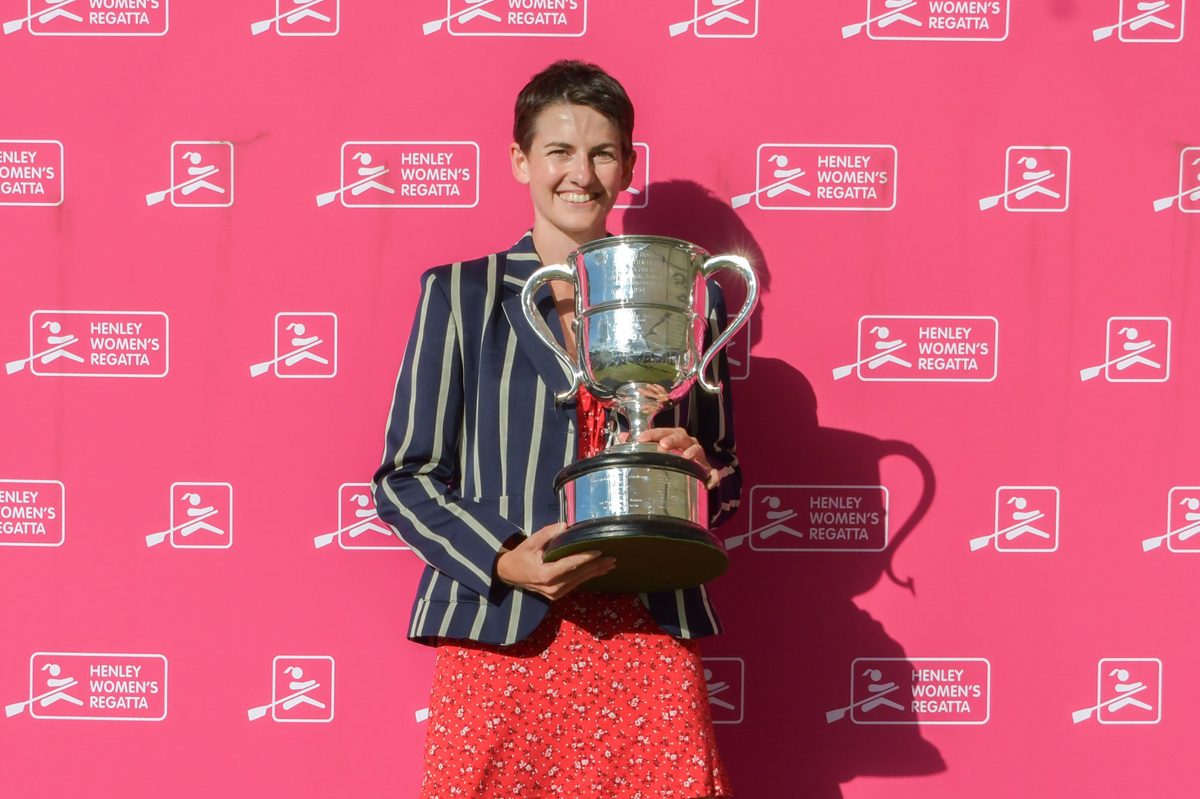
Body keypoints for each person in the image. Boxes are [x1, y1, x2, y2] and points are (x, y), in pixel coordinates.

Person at [373, 60, 741, 799]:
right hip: (503, 630)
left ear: (628, 166)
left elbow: (725, 477)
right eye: (559, 151)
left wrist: (697, 472)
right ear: (521, 161)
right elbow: (404, 477)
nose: (582, 173)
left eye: (603, 153)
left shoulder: (681, 300)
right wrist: (506, 560)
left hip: (646, 631)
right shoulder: (458, 295)